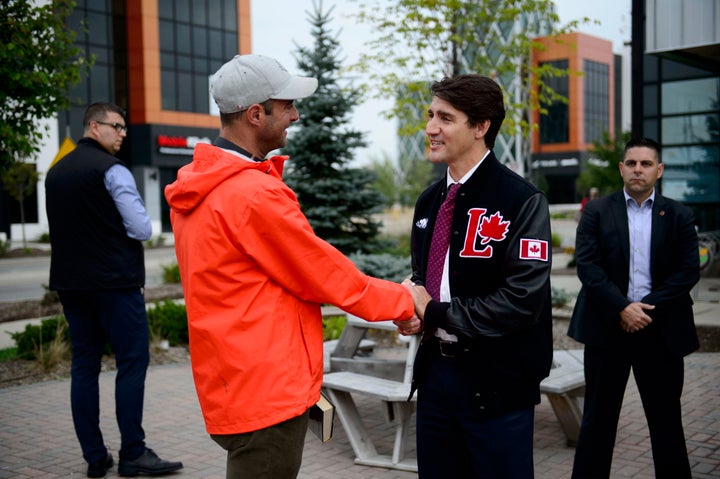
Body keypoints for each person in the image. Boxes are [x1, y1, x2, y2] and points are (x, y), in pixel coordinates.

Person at [163, 54, 416, 479]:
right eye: (287, 106)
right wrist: (405, 302)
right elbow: (324, 274)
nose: (296, 116)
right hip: (266, 386)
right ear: (255, 114)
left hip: (235, 377)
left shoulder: (202, 186)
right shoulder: (250, 194)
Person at [396, 74, 553, 478]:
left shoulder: (522, 200)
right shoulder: (429, 201)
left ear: (481, 126)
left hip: (497, 388)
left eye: (445, 118)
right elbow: (423, 281)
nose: (430, 128)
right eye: (430, 115)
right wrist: (413, 311)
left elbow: (521, 302)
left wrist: (432, 312)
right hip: (435, 382)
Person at [45, 102, 183, 478]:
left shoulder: (55, 173)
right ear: (94, 125)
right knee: (132, 363)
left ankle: (94, 456)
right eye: (117, 127)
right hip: (116, 284)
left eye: (124, 128)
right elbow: (141, 229)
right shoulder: (113, 171)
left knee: (84, 367)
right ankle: (133, 453)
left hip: (71, 285)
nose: (123, 134)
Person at [568, 137, 700, 478]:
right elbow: (588, 266)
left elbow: (687, 271)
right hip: (606, 329)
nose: (637, 169)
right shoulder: (596, 211)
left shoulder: (680, 215)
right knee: (597, 422)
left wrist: (643, 308)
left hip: (660, 332)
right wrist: (622, 308)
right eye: (631, 163)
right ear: (621, 168)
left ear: (659, 170)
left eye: (645, 164)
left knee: (666, 422)